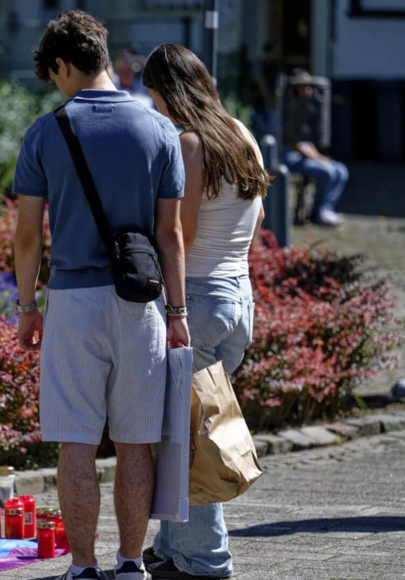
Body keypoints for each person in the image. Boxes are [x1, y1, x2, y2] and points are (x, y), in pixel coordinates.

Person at [13, 11, 190, 580]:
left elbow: (26, 236)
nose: (56, 86)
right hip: (143, 304)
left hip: (72, 300)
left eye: (54, 75)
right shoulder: (160, 131)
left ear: (63, 64)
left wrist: (25, 307)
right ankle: (132, 562)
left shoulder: (45, 133)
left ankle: (84, 568)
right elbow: (171, 235)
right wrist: (179, 313)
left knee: (76, 443)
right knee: (137, 443)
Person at [140, 44, 270, 580]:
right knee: (185, 430)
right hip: (237, 297)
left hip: (197, 301)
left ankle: (206, 562)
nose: (151, 108)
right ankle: (174, 549)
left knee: (192, 441)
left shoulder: (190, 145)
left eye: (152, 97)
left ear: (167, 93)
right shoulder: (241, 134)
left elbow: (181, 236)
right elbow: (254, 224)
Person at [284, 69, 348, 228]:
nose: (309, 90)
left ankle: (327, 208)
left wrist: (320, 157)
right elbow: (294, 143)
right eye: (305, 87)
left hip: (306, 156)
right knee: (327, 172)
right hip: (289, 158)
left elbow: (307, 141)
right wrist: (318, 159)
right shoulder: (288, 109)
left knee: (341, 170)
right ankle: (318, 212)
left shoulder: (306, 108)